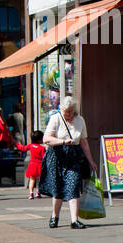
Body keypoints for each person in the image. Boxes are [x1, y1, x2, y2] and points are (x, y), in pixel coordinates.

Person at [41, 95, 97, 229]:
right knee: (58, 188)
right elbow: (46, 138)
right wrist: (63, 141)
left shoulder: (80, 120)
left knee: (74, 186)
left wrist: (91, 161)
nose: (68, 115)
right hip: (57, 156)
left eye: (70, 112)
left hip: (73, 157)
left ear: (74, 110)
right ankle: (55, 216)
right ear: (61, 110)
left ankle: (74, 220)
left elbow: (83, 142)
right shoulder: (56, 118)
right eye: (66, 112)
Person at [20, 129, 46, 199]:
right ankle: (38, 192)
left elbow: (23, 148)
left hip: (32, 164)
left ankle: (31, 193)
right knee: (40, 180)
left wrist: (16, 144)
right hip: (40, 165)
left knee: (32, 179)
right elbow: (44, 157)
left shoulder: (30, 146)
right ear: (40, 140)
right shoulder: (42, 148)